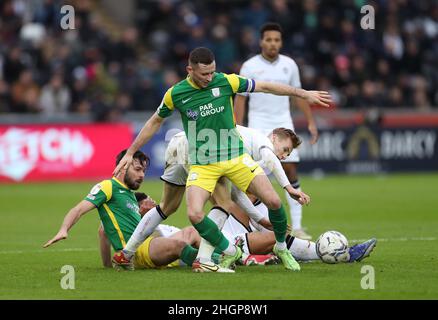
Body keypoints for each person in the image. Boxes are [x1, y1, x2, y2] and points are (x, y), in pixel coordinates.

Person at [113, 47, 331, 273]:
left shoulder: (226, 81)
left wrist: (302, 93)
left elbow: (265, 86)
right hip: (200, 161)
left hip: (235, 158)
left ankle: (280, 248)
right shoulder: (176, 93)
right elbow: (154, 122)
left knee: (273, 202)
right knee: (194, 213)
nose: (210, 78)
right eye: (204, 74)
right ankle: (228, 251)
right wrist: (130, 152)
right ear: (190, 70)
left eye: (212, 72)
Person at [116, 124, 311, 272]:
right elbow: (271, 159)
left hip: (179, 142)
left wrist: (260, 219)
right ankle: (205, 261)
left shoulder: (245, 146)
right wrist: (288, 187)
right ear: (274, 138)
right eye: (285, 149)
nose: (284, 155)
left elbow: (236, 193)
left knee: (167, 206)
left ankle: (126, 254)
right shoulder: (262, 143)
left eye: (288, 153)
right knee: (221, 204)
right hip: (202, 151)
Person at [43, 150, 204, 271]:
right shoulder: (108, 187)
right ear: (123, 166)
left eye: (143, 171)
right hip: (136, 251)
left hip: (147, 244)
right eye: (137, 169)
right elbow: (78, 209)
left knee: (192, 231)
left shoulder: (129, 196)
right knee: (180, 246)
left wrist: (107, 266)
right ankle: (213, 261)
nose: (141, 175)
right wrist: (64, 229)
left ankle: (217, 257)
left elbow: (103, 230)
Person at [234, 22, 319, 240]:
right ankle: (251, 225)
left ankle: (298, 226)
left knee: (290, 171)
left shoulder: (289, 65)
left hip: (284, 124)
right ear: (261, 41)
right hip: (258, 126)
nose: (272, 43)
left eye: (276, 40)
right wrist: (235, 126)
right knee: (253, 177)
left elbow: (299, 95)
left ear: (281, 42)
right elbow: (240, 99)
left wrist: (310, 122)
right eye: (268, 39)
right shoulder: (249, 66)